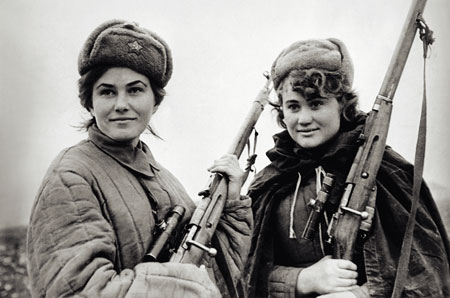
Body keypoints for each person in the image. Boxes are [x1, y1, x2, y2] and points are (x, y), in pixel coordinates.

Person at [26, 19, 252, 298]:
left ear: (155, 102)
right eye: (107, 91)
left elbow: (217, 271)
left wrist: (229, 202)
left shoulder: (166, 180)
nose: (121, 104)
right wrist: (176, 286)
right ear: (89, 101)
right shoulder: (71, 175)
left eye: (135, 90)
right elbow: (76, 290)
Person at [242, 38, 450, 297]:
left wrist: (361, 295)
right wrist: (300, 280)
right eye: (293, 106)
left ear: (342, 104)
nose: (304, 119)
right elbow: (242, 274)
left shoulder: (385, 171)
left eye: (316, 103)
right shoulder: (270, 182)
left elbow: (427, 273)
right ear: (281, 111)